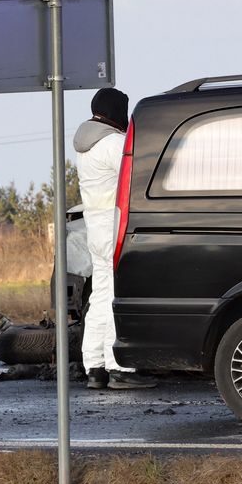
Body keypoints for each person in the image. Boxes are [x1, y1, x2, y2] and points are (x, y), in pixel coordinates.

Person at [75, 87, 154, 390]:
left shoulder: (85, 145)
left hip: (94, 229)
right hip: (114, 229)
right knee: (115, 295)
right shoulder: (113, 144)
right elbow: (140, 175)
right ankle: (118, 366)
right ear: (116, 111)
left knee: (100, 295)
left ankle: (94, 366)